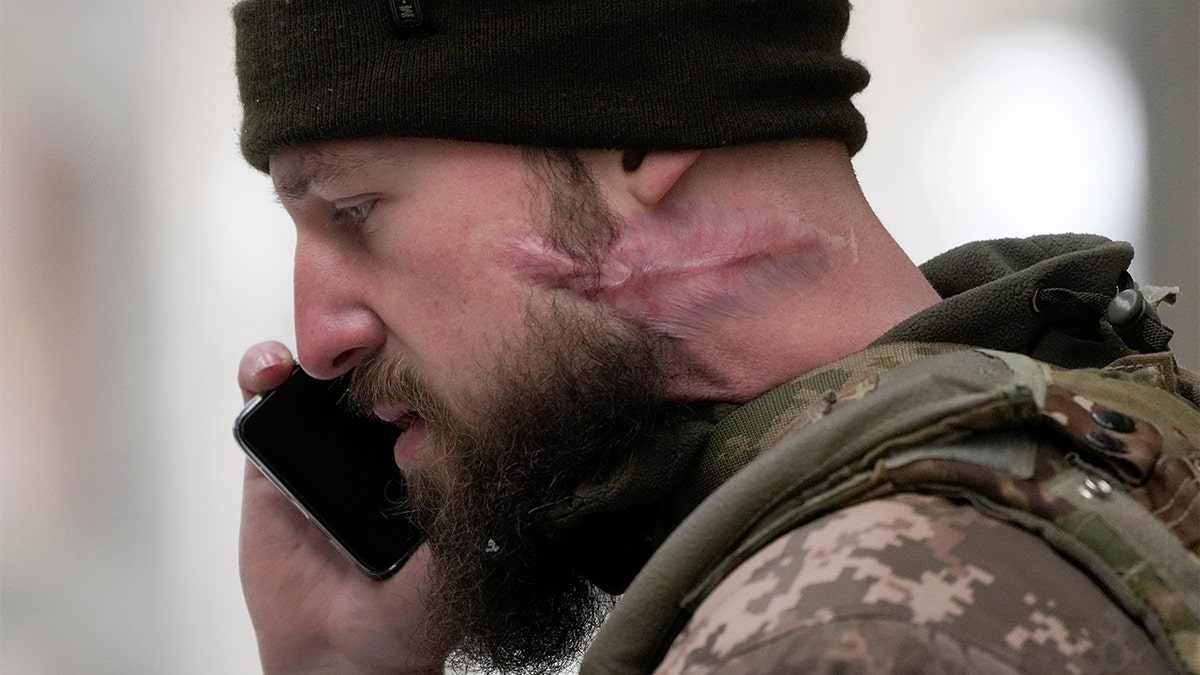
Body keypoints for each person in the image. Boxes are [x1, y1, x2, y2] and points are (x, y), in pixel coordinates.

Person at [231, 1, 1200, 673]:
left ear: (639, 127)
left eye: (355, 209)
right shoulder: (1083, 435)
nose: (319, 340)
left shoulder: (845, 627)